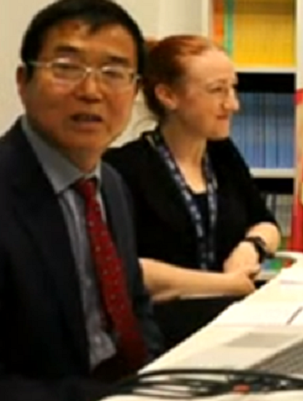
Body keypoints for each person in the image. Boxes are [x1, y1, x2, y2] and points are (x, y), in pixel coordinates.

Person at [0, 0, 163, 401]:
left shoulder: (111, 185)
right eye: (66, 68)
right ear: (23, 82)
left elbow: (135, 307)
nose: (91, 91)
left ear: (135, 90)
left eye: (114, 72)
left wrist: (156, 384)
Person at [103, 35, 280, 344]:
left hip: (230, 313)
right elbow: (128, 269)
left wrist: (251, 247)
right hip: (164, 330)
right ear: (168, 96)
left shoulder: (222, 154)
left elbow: (266, 223)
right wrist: (225, 284)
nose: (232, 104)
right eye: (217, 90)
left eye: (233, 88)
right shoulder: (122, 169)